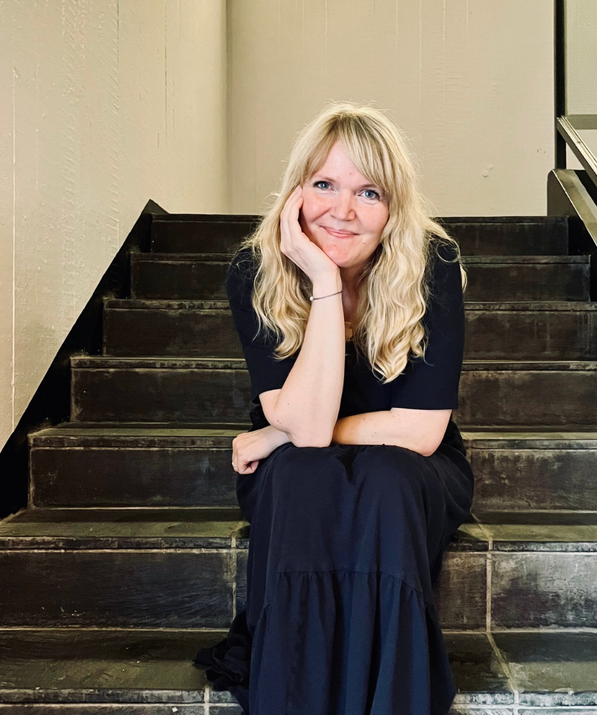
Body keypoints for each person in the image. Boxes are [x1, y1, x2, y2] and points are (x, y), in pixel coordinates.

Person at [194, 101, 474, 715]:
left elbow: (420, 432)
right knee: (302, 475)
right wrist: (323, 281)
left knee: (385, 478)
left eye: (368, 192)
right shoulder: (256, 270)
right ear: (296, 191)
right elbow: (309, 430)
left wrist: (275, 436)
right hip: (300, 457)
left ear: (393, 207)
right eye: (324, 185)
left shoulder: (430, 264)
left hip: (411, 463)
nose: (343, 211)